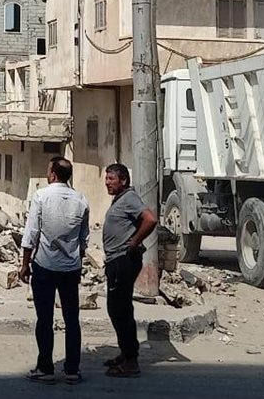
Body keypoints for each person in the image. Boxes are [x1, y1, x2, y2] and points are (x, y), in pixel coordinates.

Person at [20, 156, 90, 385]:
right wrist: (77, 262)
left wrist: (24, 264)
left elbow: (31, 233)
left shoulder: (41, 196)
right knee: (72, 320)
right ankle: (72, 370)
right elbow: (84, 239)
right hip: (70, 268)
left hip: (45, 266)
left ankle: (45, 368)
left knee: (44, 319)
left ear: (53, 174)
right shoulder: (81, 200)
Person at [101, 162, 158, 379]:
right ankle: (126, 353)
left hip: (122, 261)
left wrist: (134, 242)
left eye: (111, 179)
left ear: (123, 180)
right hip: (117, 261)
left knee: (120, 310)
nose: (107, 183)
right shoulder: (121, 199)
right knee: (118, 308)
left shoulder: (130, 198)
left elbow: (150, 219)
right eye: (106, 179)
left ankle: (131, 361)